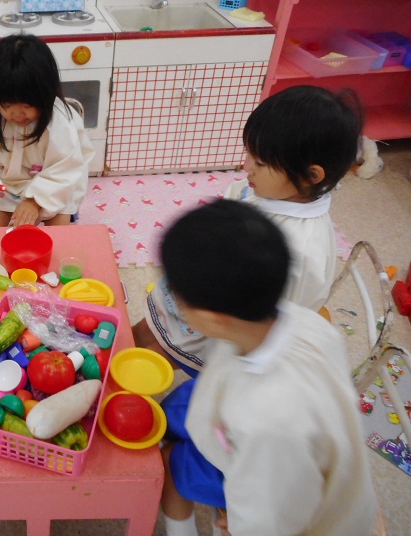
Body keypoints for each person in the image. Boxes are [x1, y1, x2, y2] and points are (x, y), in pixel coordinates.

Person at [157, 199, 377, 536]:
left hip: (293, 501)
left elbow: (272, 513)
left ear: (213, 318)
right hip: (243, 421)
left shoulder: (270, 424)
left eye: (177, 297)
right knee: (165, 414)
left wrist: (239, 526)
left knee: (167, 462)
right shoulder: (302, 321)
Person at [134, 85, 362, 375]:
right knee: (146, 328)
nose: (246, 167)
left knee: (155, 361)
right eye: (248, 153)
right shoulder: (261, 189)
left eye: (260, 162)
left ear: (310, 176)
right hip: (194, 289)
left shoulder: (303, 251)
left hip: (217, 319)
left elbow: (274, 322)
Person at [0, 33, 95, 227]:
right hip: (8, 182)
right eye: (7, 105)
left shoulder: (59, 125)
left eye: (27, 105)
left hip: (55, 184)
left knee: (59, 231)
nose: (16, 114)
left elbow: (66, 169)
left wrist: (34, 201)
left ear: (46, 94)